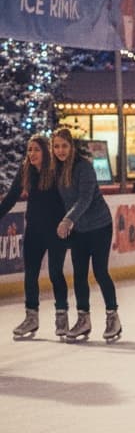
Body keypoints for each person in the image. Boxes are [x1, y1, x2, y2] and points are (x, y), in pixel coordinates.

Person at [51, 128, 121, 343]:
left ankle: (113, 317)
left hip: (100, 226)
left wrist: (67, 220)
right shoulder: (57, 170)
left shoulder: (84, 167)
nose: (60, 150)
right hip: (79, 229)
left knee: (100, 272)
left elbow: (85, 198)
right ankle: (84, 319)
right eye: (56, 146)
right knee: (79, 275)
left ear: (72, 146)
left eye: (64, 145)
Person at [1, 135, 71, 340]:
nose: (31, 154)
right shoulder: (26, 170)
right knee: (30, 275)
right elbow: (11, 197)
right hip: (34, 230)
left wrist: (70, 222)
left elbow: (70, 198)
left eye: (36, 150)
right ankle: (31, 317)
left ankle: (62, 317)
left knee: (55, 273)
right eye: (29, 150)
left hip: (57, 230)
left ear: (46, 152)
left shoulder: (56, 171)